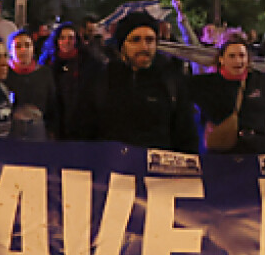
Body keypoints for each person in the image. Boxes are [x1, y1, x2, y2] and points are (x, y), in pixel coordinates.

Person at [74, 14, 200, 153]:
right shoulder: (101, 79)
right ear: (122, 45)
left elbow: (187, 137)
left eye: (150, 40)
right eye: (135, 40)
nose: (144, 47)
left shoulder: (171, 81)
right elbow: (83, 132)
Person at [190, 32, 265, 154]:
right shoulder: (206, 84)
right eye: (232, 56)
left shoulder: (263, 82)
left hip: (257, 151)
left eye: (241, 56)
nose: (238, 61)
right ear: (221, 59)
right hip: (221, 154)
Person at [37, 22, 103, 140]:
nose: (67, 41)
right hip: (58, 124)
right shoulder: (48, 64)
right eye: (62, 38)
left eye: (70, 38)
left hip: (83, 123)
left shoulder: (89, 62)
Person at [4, 29, 55, 139]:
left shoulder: (44, 73)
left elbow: (52, 104)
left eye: (27, 45)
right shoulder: (4, 74)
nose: (23, 50)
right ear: (10, 51)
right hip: (10, 131)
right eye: (18, 46)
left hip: (38, 130)